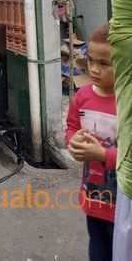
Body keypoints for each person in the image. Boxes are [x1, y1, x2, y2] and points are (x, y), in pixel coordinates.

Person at [65, 23, 117, 261]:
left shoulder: (126, 103)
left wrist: (104, 155)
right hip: (94, 194)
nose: (94, 69)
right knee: (98, 247)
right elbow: (72, 128)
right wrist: (72, 142)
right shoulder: (82, 97)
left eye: (104, 63)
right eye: (91, 60)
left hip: (123, 199)